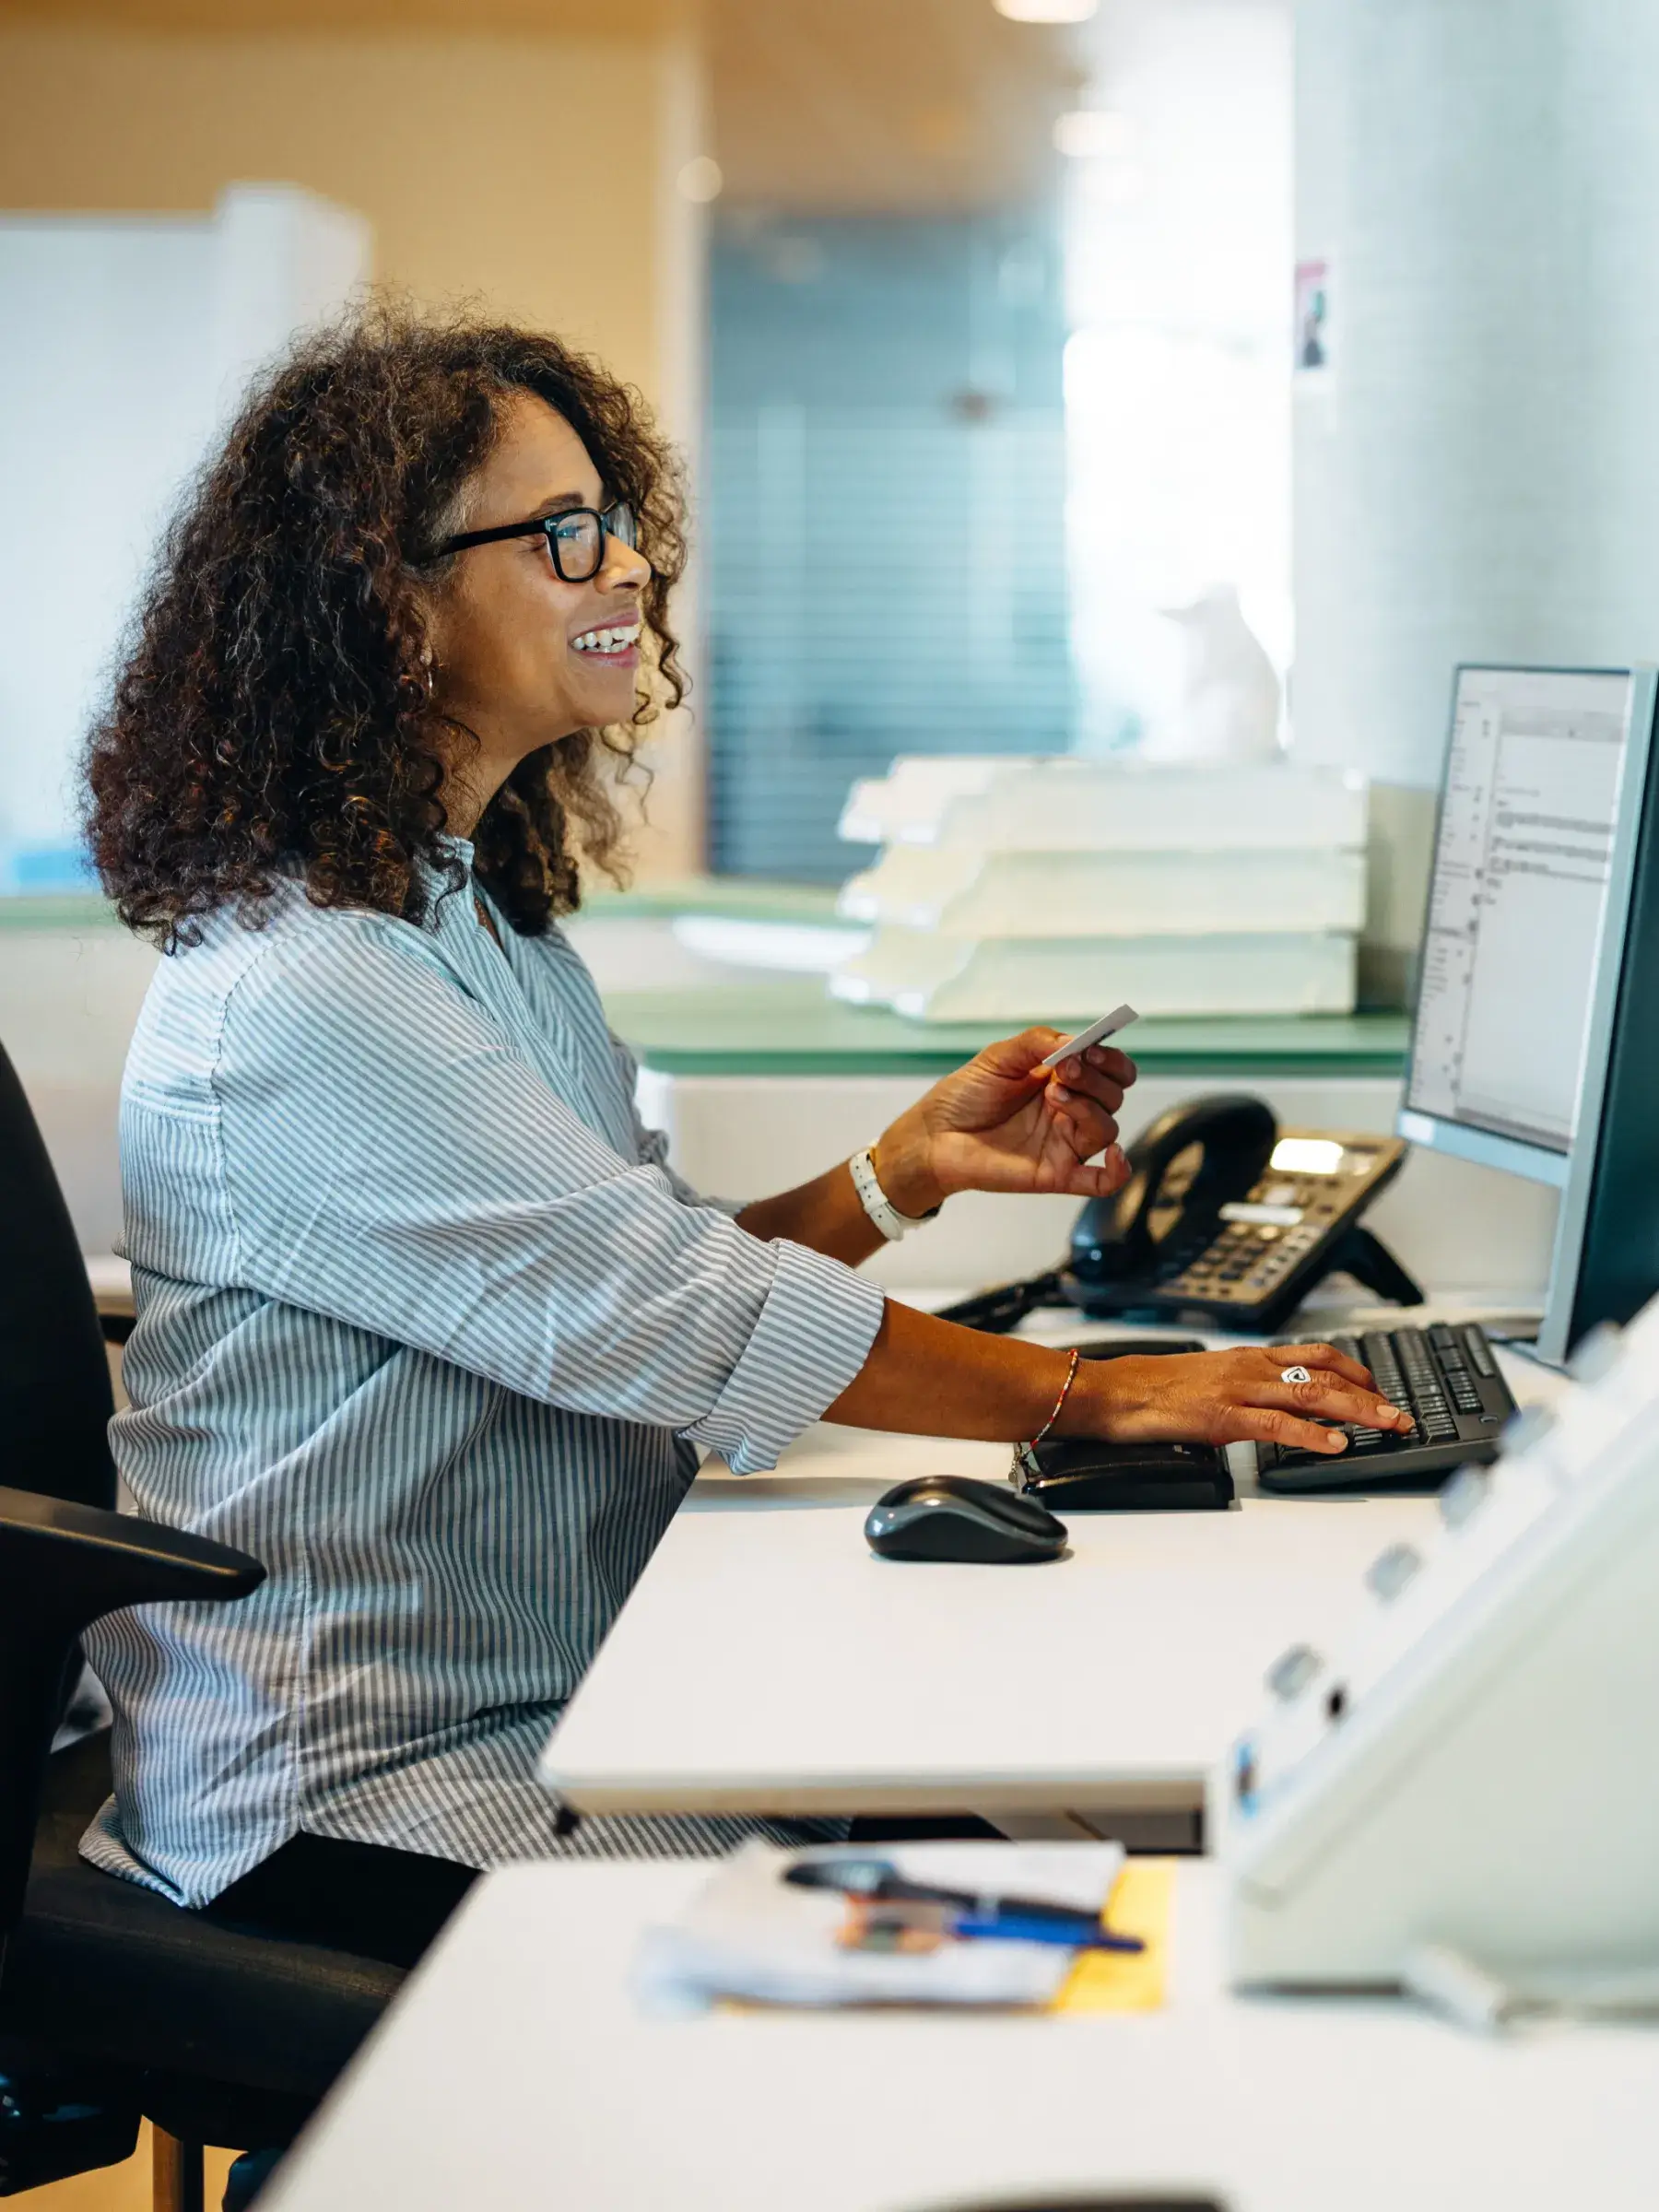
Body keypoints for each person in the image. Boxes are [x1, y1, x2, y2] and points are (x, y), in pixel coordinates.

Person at [80, 307, 1408, 1960]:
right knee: (1078, 1951)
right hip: (370, 1794)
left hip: (565, 1703)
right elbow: (687, 1318)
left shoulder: (470, 925)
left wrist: (900, 1171)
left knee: (1079, 1897)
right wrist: (1110, 1395)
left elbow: (646, 1265)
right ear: (387, 598)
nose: (624, 568)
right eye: (561, 536)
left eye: (617, 523)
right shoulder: (313, 991)